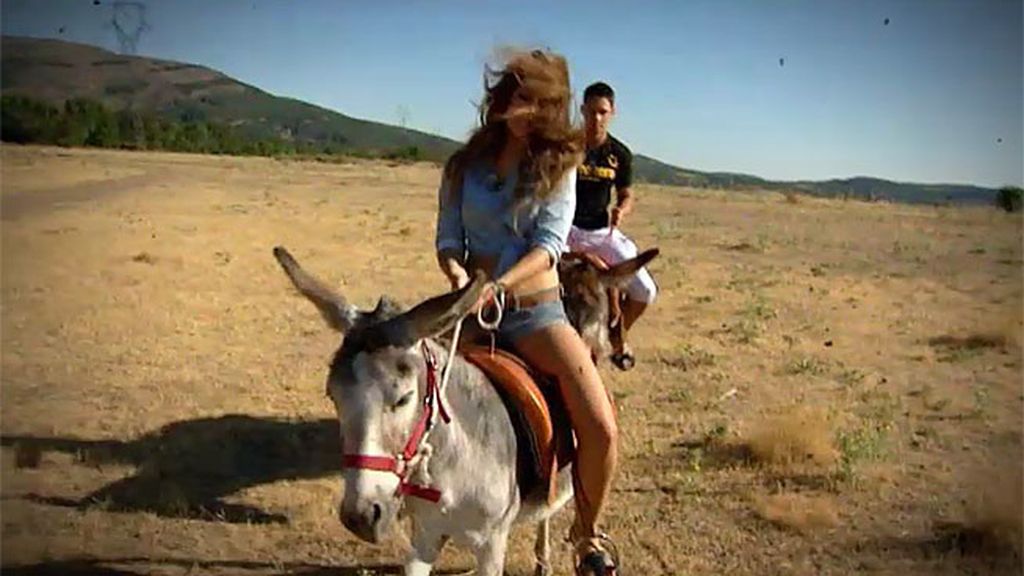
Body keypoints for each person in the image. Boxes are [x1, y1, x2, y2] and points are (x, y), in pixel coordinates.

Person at [435, 48, 620, 574]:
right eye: (516, 97)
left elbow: (549, 245)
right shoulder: (463, 165)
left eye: (535, 101)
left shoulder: (562, 166)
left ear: (551, 108)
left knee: (602, 427)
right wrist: (457, 274)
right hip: (472, 310)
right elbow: (449, 235)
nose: (523, 110)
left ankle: (586, 535)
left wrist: (501, 286)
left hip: (537, 314)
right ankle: (435, 518)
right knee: (424, 408)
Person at [568, 81, 658, 371]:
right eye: (591, 112)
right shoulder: (568, 146)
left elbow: (627, 193)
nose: (596, 119)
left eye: (602, 112)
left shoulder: (619, 154)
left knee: (645, 290)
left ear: (612, 113)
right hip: (565, 232)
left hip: (601, 233)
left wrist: (623, 209)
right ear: (582, 110)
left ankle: (615, 335)